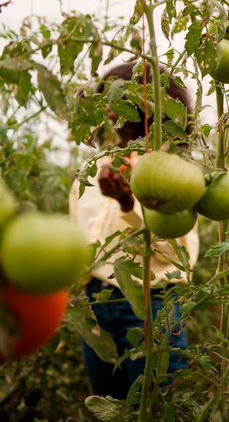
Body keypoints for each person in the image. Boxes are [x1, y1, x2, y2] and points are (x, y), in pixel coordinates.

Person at [68, 61, 199, 400]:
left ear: (148, 105)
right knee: (108, 403)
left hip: (149, 304)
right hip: (95, 305)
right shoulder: (92, 168)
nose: (107, 107)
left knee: (156, 406)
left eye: (118, 96)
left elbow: (176, 254)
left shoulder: (171, 172)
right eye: (106, 96)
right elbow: (76, 236)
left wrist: (129, 206)